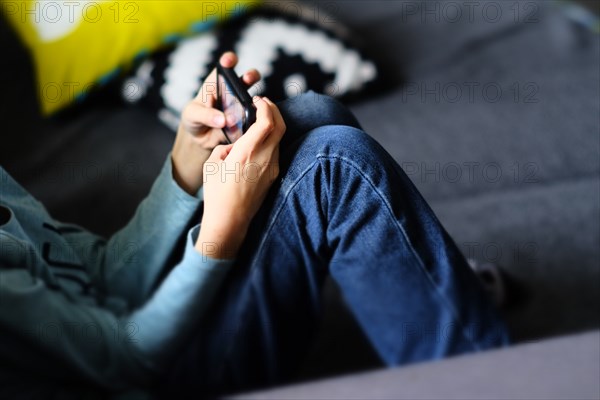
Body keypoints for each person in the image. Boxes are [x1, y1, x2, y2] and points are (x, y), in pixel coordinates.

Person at [0, 52, 510, 398]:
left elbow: (98, 274)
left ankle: (432, 301)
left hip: (131, 337)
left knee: (310, 114)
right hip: (145, 380)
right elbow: (126, 358)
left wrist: (186, 163)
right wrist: (225, 226)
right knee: (335, 164)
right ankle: (483, 376)